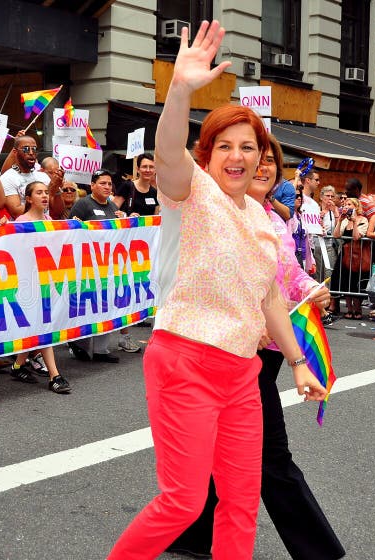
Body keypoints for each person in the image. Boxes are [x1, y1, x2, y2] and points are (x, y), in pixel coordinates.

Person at [107, 21, 327, 560]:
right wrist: (180, 90)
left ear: (261, 157)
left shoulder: (261, 216)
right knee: (183, 502)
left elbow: (270, 298)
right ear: (207, 154)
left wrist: (298, 362)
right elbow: (168, 153)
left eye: (248, 147)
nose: (238, 155)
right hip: (184, 362)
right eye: (224, 145)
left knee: (241, 500)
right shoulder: (189, 192)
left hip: (241, 376)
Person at [167, 134, 344, 560]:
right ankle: (318, 552)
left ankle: (192, 534)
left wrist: (311, 288)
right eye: (252, 157)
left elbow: (288, 276)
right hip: (222, 348)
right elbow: (210, 279)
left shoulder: (275, 221)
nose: (262, 167)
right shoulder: (214, 213)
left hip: (263, 352)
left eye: (269, 162)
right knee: (270, 457)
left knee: (228, 445)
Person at [8, 181, 72, 394]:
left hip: (46, 279)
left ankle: (18, 365)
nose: (44, 196)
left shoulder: (48, 219)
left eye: (46, 192)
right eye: (39, 193)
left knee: (38, 325)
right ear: (28, 198)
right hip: (28, 281)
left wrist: (73, 228)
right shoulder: (22, 221)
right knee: (44, 325)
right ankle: (55, 375)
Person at [68, 170, 140, 357]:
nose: (107, 187)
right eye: (103, 183)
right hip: (87, 266)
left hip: (107, 267)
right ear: (92, 185)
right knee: (88, 308)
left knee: (105, 306)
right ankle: (80, 345)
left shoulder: (111, 206)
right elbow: (69, 234)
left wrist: (126, 221)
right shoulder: (82, 205)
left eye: (110, 184)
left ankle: (101, 350)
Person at [0, 135, 63, 218]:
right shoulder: (7, 178)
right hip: (24, 228)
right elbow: (16, 213)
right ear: (15, 152)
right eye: (26, 149)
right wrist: (49, 192)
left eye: (34, 149)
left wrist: (56, 189)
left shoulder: (43, 176)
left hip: (46, 228)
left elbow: (58, 211)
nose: (31, 152)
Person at [331, 197, 370, 320]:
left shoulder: (363, 220)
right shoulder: (344, 221)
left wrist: (353, 222)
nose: (346, 206)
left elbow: (356, 237)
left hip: (358, 255)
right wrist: (340, 221)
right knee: (344, 280)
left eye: (349, 204)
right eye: (345, 204)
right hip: (345, 254)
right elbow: (336, 235)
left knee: (355, 281)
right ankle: (349, 308)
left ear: (356, 207)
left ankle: (358, 309)